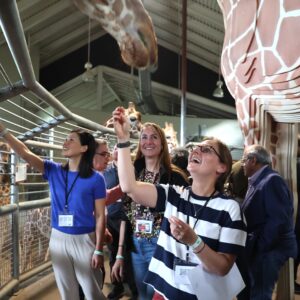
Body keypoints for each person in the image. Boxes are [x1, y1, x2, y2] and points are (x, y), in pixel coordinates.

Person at [112, 106, 247, 299]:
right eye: (195, 147)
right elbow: (129, 187)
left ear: (222, 167)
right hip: (165, 292)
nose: (196, 150)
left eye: (206, 149)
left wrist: (194, 241)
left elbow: (223, 267)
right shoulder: (174, 195)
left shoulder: (229, 209)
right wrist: (123, 139)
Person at [0, 124, 106, 300]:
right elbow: (25, 153)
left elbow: (101, 215)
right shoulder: (53, 170)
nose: (65, 143)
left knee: (92, 292)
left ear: (84, 148)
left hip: (84, 240)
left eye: (71, 140)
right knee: (67, 293)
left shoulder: (96, 179)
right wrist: (4, 132)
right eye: (65, 139)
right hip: (58, 238)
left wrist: (99, 250)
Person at [114, 116, 189, 300]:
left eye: (154, 137)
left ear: (162, 144)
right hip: (136, 244)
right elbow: (125, 214)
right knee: (142, 294)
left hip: (161, 243)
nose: (149, 141)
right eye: (144, 137)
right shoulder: (131, 174)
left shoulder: (175, 177)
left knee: (159, 293)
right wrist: (120, 252)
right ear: (139, 144)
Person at [239, 144, 297, 300]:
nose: (242, 164)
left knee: (260, 294)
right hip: (262, 249)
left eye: (244, 160)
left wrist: (261, 247)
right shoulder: (259, 179)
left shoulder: (272, 181)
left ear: (253, 160)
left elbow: (277, 220)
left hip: (267, 251)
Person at [103, 144, 138, 299]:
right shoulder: (105, 172)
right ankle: (118, 287)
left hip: (127, 220)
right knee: (112, 254)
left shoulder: (131, 171)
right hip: (111, 219)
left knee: (127, 254)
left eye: (120, 148)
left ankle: (133, 288)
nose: (116, 150)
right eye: (115, 148)